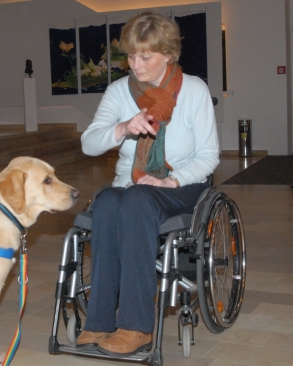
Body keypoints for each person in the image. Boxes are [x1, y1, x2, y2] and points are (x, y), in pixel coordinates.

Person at [77, 11, 219, 357]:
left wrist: (172, 180)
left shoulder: (194, 90)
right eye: (130, 55)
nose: (135, 65)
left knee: (138, 200)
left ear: (168, 54)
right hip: (132, 186)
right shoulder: (118, 92)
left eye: (145, 56)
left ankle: (137, 326)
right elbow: (89, 143)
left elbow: (209, 156)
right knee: (108, 202)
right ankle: (98, 321)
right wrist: (123, 128)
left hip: (181, 186)